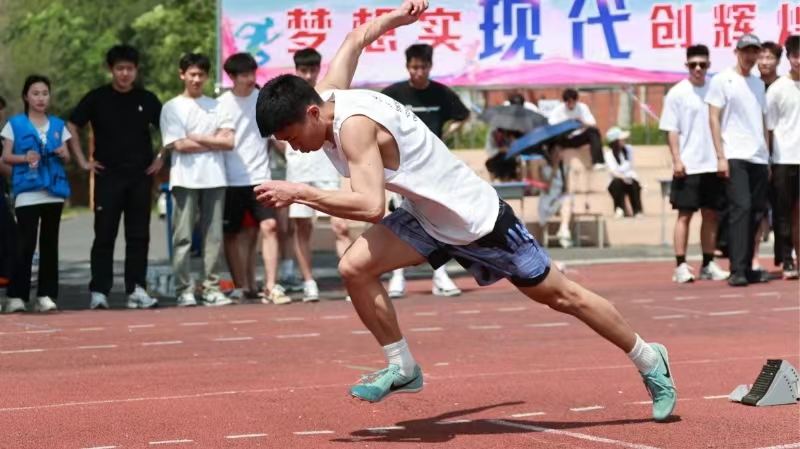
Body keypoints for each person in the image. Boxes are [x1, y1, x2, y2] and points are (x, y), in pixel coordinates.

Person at [253, 0, 676, 422]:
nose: (294, 148)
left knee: (564, 297)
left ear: (312, 113)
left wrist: (300, 192)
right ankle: (403, 367)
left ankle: (648, 357)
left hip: (478, 219)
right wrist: (398, 17)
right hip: (426, 217)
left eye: (292, 138)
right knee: (354, 268)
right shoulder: (328, 93)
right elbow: (356, 37)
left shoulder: (354, 127)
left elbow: (371, 204)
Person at [67, 45, 161, 310]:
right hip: (107, 176)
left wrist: (161, 157)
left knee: (138, 235)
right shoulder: (97, 98)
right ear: (111, 69)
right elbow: (72, 125)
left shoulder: (147, 99)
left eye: (129, 69)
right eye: (120, 68)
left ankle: (136, 289)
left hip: (140, 176)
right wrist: (82, 161)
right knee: (104, 235)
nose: (125, 74)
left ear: (136, 70)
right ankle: (99, 291)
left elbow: (170, 127)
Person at [380, 42, 468, 299]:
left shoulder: (441, 93)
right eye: (414, 67)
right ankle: (397, 277)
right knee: (401, 220)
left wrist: (446, 135)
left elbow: (463, 115)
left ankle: (440, 276)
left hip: (434, 168)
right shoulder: (393, 94)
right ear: (407, 67)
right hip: (401, 169)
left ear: (430, 67)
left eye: (423, 67)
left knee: (439, 220)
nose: (418, 72)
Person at [160, 53, 235, 306]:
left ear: (206, 76)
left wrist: (197, 137)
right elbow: (178, 145)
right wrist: (213, 140)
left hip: (215, 177)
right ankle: (184, 289)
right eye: (192, 74)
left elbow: (229, 142)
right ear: (182, 75)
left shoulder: (218, 106)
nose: (196, 79)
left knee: (213, 237)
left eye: (201, 75)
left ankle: (211, 287)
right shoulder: (172, 107)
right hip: (184, 179)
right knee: (182, 237)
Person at [218, 53, 290, 304]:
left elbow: (276, 137)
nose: (250, 79)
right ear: (232, 77)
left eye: (252, 73)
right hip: (230, 179)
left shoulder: (262, 100)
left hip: (261, 176)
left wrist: (292, 155)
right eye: (244, 75)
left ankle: (270, 286)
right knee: (232, 234)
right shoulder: (221, 104)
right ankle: (239, 285)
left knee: (270, 226)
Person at [283, 48, 353, 303]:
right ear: (296, 70)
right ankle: (309, 282)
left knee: (340, 226)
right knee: (302, 227)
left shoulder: (326, 97)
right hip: (299, 172)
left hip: (327, 170)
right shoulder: (286, 100)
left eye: (312, 70)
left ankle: (352, 282)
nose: (308, 75)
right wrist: (292, 154)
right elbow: (277, 138)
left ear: (319, 70)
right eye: (304, 70)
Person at [659, 44, 730, 284]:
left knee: (711, 215)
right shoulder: (677, 93)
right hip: (688, 165)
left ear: (709, 65)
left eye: (702, 64)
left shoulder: (716, 91)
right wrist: (677, 159)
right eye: (693, 65)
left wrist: (722, 157)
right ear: (686, 66)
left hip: (713, 164)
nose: (698, 69)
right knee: (684, 215)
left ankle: (708, 263)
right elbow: (671, 129)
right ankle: (680, 265)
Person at [1, 75, 72, 313]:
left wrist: (63, 153)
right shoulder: (14, 124)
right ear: (26, 97)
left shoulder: (59, 125)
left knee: (50, 244)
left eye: (45, 93)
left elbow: (68, 157)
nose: (41, 98)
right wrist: (25, 157)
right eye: (35, 93)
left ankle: (46, 295)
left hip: (54, 191)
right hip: (27, 191)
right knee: (25, 244)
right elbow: (6, 156)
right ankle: (16, 296)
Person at [707, 34, 772, 287]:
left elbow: (763, 121)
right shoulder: (722, 80)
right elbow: (713, 117)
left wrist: (767, 156)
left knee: (756, 212)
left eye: (755, 51)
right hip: (734, 155)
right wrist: (720, 156)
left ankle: (746, 266)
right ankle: (736, 269)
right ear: (737, 52)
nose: (750, 56)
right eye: (746, 51)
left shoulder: (758, 84)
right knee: (740, 209)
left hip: (758, 157)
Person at [766, 35, 800, 280]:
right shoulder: (777, 89)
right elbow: (768, 127)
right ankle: (787, 260)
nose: (799, 60)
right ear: (788, 58)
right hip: (783, 159)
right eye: (795, 56)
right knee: (784, 213)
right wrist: (768, 160)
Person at [548, 88, 604, 168]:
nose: (570, 105)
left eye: (572, 102)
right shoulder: (558, 110)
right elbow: (551, 125)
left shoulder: (582, 107)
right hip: (564, 138)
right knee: (553, 138)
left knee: (593, 131)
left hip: (578, 136)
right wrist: (565, 123)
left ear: (576, 101)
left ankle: (598, 162)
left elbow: (593, 124)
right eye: (568, 102)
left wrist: (582, 122)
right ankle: (551, 162)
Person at [603, 127, 643, 219]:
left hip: (629, 177)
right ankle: (619, 208)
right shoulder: (609, 155)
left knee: (634, 184)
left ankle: (637, 210)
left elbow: (629, 166)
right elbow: (613, 171)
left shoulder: (629, 149)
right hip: (616, 180)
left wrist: (629, 178)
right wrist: (623, 177)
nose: (624, 141)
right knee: (617, 184)